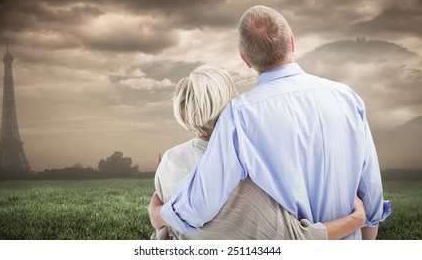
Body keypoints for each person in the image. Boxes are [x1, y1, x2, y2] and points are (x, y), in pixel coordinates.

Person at [149, 5, 390, 240]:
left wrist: (160, 214)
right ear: (292, 42)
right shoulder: (347, 97)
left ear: (245, 60)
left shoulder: (239, 115)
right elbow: (370, 188)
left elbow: (201, 203)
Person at [150, 65, 365, 240]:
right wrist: (356, 219)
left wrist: (159, 215)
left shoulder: (169, 161)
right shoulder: (253, 167)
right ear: (232, 102)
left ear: (184, 112)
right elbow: (299, 241)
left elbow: (166, 231)